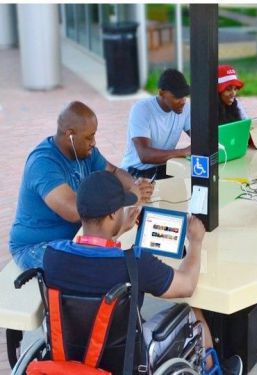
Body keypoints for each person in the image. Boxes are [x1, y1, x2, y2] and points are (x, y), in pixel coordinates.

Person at [43, 171, 243, 375]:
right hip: (127, 362)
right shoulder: (133, 262)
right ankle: (216, 371)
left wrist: (118, 230)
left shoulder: (53, 255)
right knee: (193, 313)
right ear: (113, 214)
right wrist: (196, 242)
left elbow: (96, 255)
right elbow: (187, 285)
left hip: (71, 356)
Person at [9, 101, 153, 270]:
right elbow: (74, 210)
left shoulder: (85, 151)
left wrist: (135, 185)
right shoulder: (43, 163)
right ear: (70, 135)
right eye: (89, 136)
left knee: (116, 255)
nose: (93, 142)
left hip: (75, 239)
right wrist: (129, 197)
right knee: (103, 267)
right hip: (35, 247)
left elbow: (113, 172)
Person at [121, 68, 192, 180]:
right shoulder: (141, 109)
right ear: (161, 93)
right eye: (177, 97)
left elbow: (200, 138)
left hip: (164, 168)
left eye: (184, 96)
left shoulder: (185, 108)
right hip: (137, 172)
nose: (182, 101)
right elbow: (144, 155)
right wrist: (184, 152)